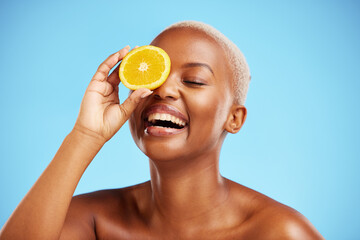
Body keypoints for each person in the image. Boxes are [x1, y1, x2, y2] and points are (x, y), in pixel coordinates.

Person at [0, 21, 324, 240]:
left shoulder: (279, 232)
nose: (163, 90)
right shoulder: (94, 221)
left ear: (234, 119)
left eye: (193, 80)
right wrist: (85, 137)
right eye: (153, 76)